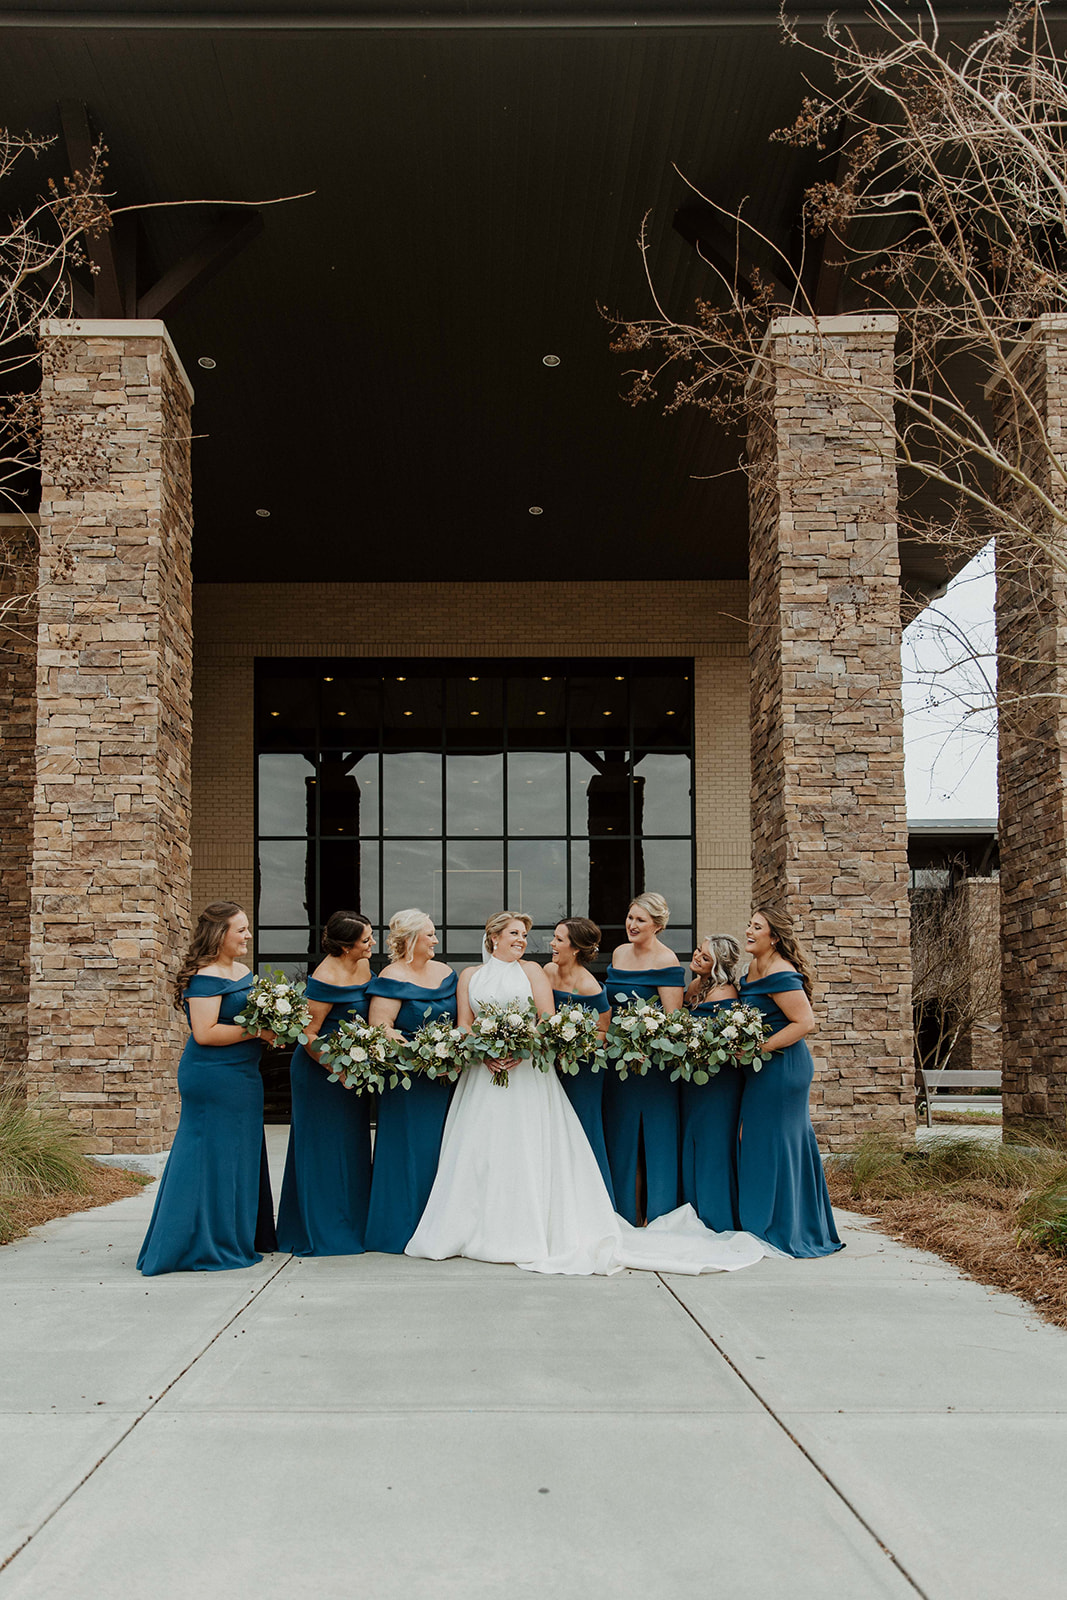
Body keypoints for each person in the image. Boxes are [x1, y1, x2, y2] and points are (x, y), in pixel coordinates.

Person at [406, 911, 769, 1276]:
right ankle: (473, 1227)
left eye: (524, 934)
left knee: (527, 1147)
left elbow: (545, 1020)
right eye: (514, 933)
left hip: (527, 1072)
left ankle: (525, 1230)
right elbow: (465, 1025)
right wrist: (486, 1054)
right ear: (493, 936)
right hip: (482, 1077)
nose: (522, 940)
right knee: (480, 1150)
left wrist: (518, 1051)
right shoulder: (470, 976)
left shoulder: (532, 972)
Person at [138, 903, 278, 1275]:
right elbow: (206, 1033)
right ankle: (191, 1243)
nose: (248, 935)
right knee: (206, 1155)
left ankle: (237, 1234)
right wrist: (258, 1031)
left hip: (245, 1075)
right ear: (220, 935)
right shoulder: (205, 976)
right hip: (212, 1076)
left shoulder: (243, 972)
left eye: (247, 928)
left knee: (238, 1153)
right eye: (241, 930)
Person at [736, 906, 843, 1257]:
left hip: (783, 1069)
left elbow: (804, 1023)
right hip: (760, 1067)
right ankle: (763, 1218)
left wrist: (759, 1048)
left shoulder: (782, 973)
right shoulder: (752, 968)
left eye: (757, 928)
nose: (749, 932)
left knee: (781, 1143)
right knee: (758, 1140)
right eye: (749, 925)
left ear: (774, 937)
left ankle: (790, 1227)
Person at [275, 910, 374, 1256]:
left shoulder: (362, 966)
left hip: (354, 1073)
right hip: (321, 1073)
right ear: (346, 947)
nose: (372, 944)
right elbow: (306, 1033)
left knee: (352, 1147)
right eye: (365, 940)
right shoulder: (325, 976)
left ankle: (354, 1222)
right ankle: (320, 1228)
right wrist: (339, 1067)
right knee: (323, 1150)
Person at [364, 909, 458, 1252]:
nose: (435, 940)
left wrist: (449, 1051)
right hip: (406, 1082)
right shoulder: (392, 975)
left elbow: (462, 1022)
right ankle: (400, 1227)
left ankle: (442, 1228)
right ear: (413, 939)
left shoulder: (446, 973)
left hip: (444, 1080)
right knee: (407, 1150)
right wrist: (422, 1049)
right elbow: (381, 1028)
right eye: (430, 935)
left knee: (442, 1150)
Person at [601, 893, 686, 1225]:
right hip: (616, 1064)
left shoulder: (666, 961)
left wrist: (644, 1040)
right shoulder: (620, 953)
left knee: (654, 1137)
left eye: (640, 920)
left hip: (651, 1067)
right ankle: (624, 1213)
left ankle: (657, 1213)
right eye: (630, 917)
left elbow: (673, 1020)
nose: (631, 925)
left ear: (658, 925)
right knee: (621, 1136)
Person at [543, 917, 614, 1204]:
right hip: (551, 1065)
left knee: (584, 1129)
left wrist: (572, 1047)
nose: (552, 943)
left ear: (574, 949)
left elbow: (603, 1032)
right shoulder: (547, 972)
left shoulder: (589, 986)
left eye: (559, 939)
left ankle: (593, 1202)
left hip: (583, 1068)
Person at [680, 934, 744, 1232]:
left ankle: (716, 1217)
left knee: (713, 1144)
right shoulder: (694, 986)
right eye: (698, 951)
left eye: (705, 958)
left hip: (717, 1080)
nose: (696, 958)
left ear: (717, 965)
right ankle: (693, 1208)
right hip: (692, 1078)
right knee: (692, 1138)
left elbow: (720, 1039)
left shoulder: (724, 992)